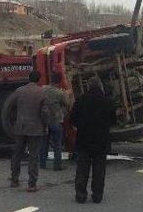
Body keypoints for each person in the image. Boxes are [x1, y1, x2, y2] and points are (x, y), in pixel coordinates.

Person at [70, 76, 116, 204]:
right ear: (100, 86)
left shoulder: (80, 100)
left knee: (82, 169)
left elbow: (72, 119)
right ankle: (97, 195)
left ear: (88, 86)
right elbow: (113, 120)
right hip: (101, 141)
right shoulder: (107, 101)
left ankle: (80, 195)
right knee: (99, 170)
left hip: (84, 140)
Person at [10, 70, 49, 192]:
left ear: (28, 78)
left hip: (20, 127)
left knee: (17, 154)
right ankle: (32, 184)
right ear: (38, 79)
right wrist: (46, 124)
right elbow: (45, 112)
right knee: (33, 156)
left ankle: (14, 179)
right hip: (35, 128)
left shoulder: (19, 91)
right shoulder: (42, 92)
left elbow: (11, 105)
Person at [40, 72, 70, 171]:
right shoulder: (59, 93)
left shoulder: (42, 89)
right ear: (59, 81)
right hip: (56, 121)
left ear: (51, 79)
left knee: (44, 143)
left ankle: (42, 164)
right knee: (57, 144)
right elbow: (67, 104)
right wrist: (67, 94)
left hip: (44, 121)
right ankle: (57, 165)